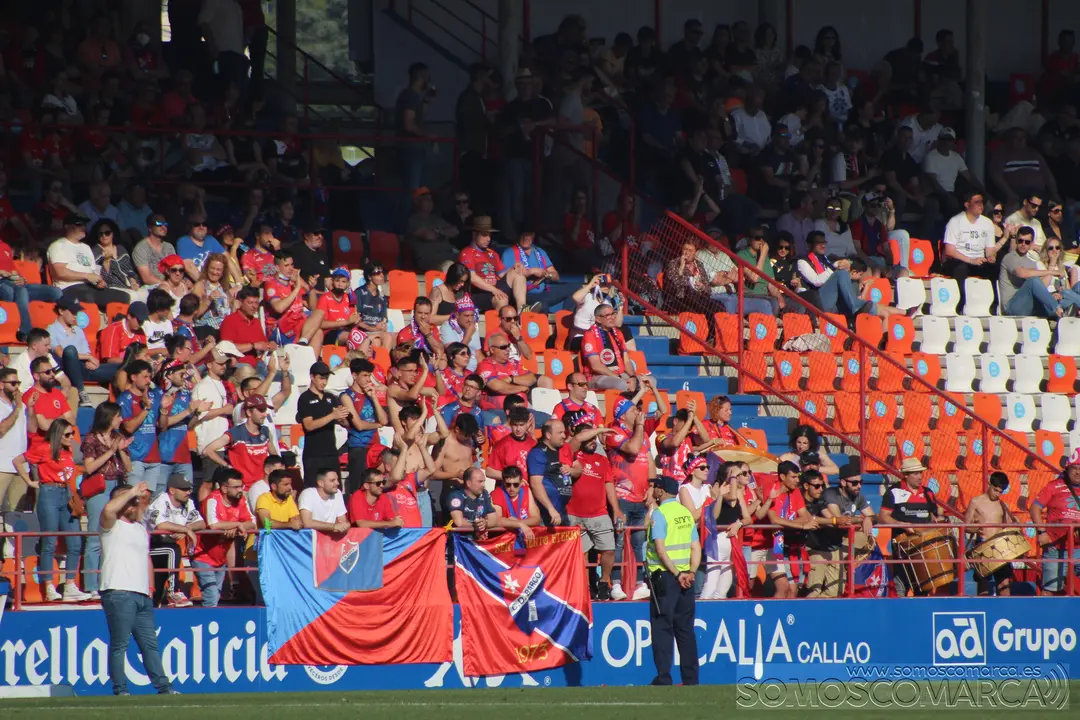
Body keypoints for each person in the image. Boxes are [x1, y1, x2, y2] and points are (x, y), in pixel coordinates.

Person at [98, 482, 177, 696]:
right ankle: (121, 689)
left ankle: (163, 687)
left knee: (150, 645)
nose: (136, 505)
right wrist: (131, 492)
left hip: (141, 594)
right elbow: (108, 509)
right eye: (131, 502)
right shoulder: (111, 524)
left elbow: (146, 559)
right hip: (118, 590)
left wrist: (150, 588)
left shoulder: (141, 529)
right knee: (120, 644)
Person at [14, 419, 92, 602]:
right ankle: (49, 586)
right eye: (67, 434)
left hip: (66, 493)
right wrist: (29, 481)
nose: (71, 437)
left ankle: (70, 585)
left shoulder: (69, 450)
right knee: (49, 541)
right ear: (57, 434)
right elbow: (18, 461)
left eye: (72, 433)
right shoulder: (43, 448)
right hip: (48, 492)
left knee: (75, 542)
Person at [645, 475, 700, 686]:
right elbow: (696, 547)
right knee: (685, 630)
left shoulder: (660, 514)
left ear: (661, 491)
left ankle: (664, 677)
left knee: (662, 628)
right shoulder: (685, 513)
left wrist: (677, 574)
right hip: (687, 577)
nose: (653, 490)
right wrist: (691, 572)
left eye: (655, 487)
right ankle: (691, 679)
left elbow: (660, 549)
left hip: (666, 578)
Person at [80, 402, 134, 599]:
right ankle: (91, 585)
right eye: (118, 416)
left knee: (114, 538)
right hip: (100, 489)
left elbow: (128, 468)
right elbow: (88, 468)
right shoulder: (92, 439)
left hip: (117, 489)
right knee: (96, 536)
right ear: (109, 417)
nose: (121, 420)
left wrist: (120, 450)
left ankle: (110, 580)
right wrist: (110, 451)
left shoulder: (118, 437)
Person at [607, 396, 658, 601]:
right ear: (622, 416)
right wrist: (639, 426)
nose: (637, 413)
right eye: (632, 411)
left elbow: (649, 459)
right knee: (618, 541)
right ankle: (616, 585)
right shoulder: (615, 433)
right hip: (621, 497)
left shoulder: (642, 433)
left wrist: (652, 486)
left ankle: (639, 584)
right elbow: (634, 449)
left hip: (641, 498)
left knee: (639, 542)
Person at [566, 423, 621, 600]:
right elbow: (576, 440)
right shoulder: (571, 453)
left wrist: (616, 510)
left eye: (594, 438)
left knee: (609, 550)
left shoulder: (602, 460)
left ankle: (604, 582)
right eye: (588, 436)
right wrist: (600, 430)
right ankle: (584, 587)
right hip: (575, 515)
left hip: (599, 513)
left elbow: (608, 484)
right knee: (580, 555)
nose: (592, 440)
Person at [880, 458, 944, 596]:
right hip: (903, 545)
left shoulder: (928, 493)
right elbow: (884, 516)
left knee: (923, 587)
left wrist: (937, 521)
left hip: (924, 546)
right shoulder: (894, 491)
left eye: (920, 473)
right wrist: (902, 525)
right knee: (901, 585)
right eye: (915, 473)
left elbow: (933, 515)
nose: (920, 477)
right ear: (906, 474)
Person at [193, 468, 255, 608]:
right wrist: (238, 524)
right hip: (202, 555)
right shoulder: (212, 500)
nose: (241, 490)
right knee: (212, 597)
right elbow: (213, 525)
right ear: (224, 488)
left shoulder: (241, 500)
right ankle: (207, 624)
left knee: (216, 596)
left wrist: (234, 527)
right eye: (237, 487)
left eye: (241, 486)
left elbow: (252, 522)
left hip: (221, 558)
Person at [758, 461, 818, 599]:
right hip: (758, 543)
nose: (797, 481)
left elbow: (805, 516)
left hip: (775, 545)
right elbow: (774, 520)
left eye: (798, 477)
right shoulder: (772, 489)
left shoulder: (795, 491)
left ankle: (778, 618)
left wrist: (786, 524)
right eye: (794, 477)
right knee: (747, 587)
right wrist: (801, 526)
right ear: (783, 477)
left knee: (786, 588)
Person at [144, 473, 204, 607]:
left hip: (165, 551)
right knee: (173, 550)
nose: (188, 492)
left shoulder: (188, 502)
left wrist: (185, 527)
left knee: (157, 591)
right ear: (172, 490)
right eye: (184, 489)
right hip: (149, 546)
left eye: (189, 489)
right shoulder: (161, 500)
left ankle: (157, 605)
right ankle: (174, 591)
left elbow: (201, 523)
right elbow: (160, 525)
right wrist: (185, 530)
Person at [48, 297, 120, 406]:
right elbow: (61, 353)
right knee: (70, 350)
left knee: (121, 367)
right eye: (72, 312)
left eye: (76, 312)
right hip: (67, 369)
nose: (75, 316)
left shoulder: (78, 330)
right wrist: (88, 357)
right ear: (61, 311)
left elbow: (87, 353)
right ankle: (81, 392)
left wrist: (90, 360)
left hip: (84, 369)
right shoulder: (51, 329)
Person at [1031, 450, 1080, 595]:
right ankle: (1045, 617)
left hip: (1079, 546)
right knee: (1049, 590)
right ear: (1067, 469)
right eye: (1074, 469)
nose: (1077, 473)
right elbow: (1035, 508)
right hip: (1056, 547)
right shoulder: (1054, 485)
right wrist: (1041, 532)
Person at [203, 395, 277, 489]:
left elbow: (274, 455)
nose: (265, 414)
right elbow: (208, 450)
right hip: (243, 489)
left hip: (263, 487)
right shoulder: (235, 433)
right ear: (249, 412)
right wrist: (228, 466)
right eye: (261, 410)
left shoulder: (265, 431)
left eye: (265, 410)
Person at [117, 359, 168, 493]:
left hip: (154, 457)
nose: (148, 381)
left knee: (147, 499)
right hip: (135, 456)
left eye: (150, 377)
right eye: (145, 377)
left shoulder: (155, 395)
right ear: (134, 377)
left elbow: (162, 426)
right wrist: (146, 408)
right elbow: (128, 427)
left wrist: (163, 410)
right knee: (133, 498)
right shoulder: (125, 398)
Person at [457, 216, 527, 312]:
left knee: (518, 273)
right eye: (484, 235)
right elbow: (472, 278)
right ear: (474, 234)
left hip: (495, 289)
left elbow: (503, 274)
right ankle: (502, 324)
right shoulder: (467, 253)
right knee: (501, 298)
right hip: (477, 293)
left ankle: (522, 310)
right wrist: (494, 290)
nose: (488, 239)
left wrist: (515, 268)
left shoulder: (492, 253)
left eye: (489, 235)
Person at [965, 472, 1015, 596]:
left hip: (1000, 547)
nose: (997, 494)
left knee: (1004, 583)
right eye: (995, 490)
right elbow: (965, 526)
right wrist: (976, 529)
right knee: (983, 584)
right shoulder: (976, 502)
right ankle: (984, 610)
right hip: (983, 545)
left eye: (1000, 492)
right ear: (989, 484)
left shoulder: (1003, 505)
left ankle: (1006, 611)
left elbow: (1010, 526)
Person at [298, 361, 348, 485]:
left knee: (335, 489)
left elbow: (344, 423)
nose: (324, 382)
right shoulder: (305, 398)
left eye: (326, 378)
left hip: (331, 452)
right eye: (321, 378)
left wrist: (343, 418)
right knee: (313, 490)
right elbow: (309, 425)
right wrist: (333, 415)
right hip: (314, 454)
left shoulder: (331, 398)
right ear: (312, 377)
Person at [999, 226, 1065, 317]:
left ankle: (1066, 313)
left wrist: (1051, 295)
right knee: (1033, 281)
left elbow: (1041, 285)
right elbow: (1022, 274)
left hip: (1028, 305)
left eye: (1027, 242)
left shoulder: (1032, 262)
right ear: (1016, 241)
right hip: (1012, 306)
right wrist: (1052, 272)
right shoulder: (1010, 257)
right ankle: (1058, 310)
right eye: (1020, 241)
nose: (1023, 244)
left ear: (1031, 244)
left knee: (1059, 300)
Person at [579, 303, 634, 391]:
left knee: (648, 381)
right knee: (621, 384)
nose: (612, 317)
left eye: (613, 314)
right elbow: (596, 366)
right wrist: (618, 377)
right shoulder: (590, 334)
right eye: (608, 315)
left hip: (619, 374)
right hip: (597, 376)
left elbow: (626, 362)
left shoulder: (619, 333)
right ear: (598, 319)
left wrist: (633, 377)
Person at [0, 367, 27, 515]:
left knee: (17, 513)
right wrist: (17, 409)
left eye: (18, 383)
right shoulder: (17, 406)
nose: (17, 386)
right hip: (2, 465)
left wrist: (30, 408)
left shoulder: (21, 405)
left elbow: (31, 428)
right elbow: (2, 429)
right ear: (1, 385)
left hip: (21, 466)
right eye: (13, 383)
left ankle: (13, 539)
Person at [447, 466, 498, 536]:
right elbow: (459, 522)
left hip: (478, 539)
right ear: (468, 483)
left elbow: (494, 519)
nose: (483, 485)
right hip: (459, 541)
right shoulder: (456, 496)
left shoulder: (484, 494)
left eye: (484, 481)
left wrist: (485, 523)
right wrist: (476, 526)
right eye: (480, 482)